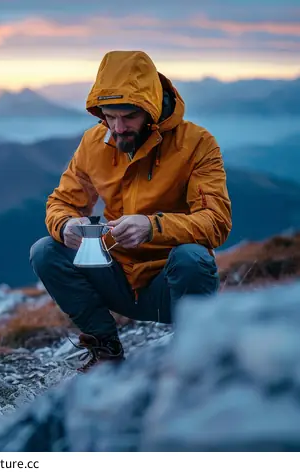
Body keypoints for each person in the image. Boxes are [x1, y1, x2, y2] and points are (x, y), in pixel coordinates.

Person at [30, 50, 232, 372]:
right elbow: (61, 202)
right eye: (109, 116)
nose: (118, 127)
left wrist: (152, 227)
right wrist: (66, 224)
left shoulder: (197, 144)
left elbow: (216, 223)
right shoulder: (94, 142)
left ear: (150, 109)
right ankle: (105, 351)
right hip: (116, 276)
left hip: (172, 284)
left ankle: (194, 362)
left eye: (128, 117)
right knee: (45, 250)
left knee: (192, 257)